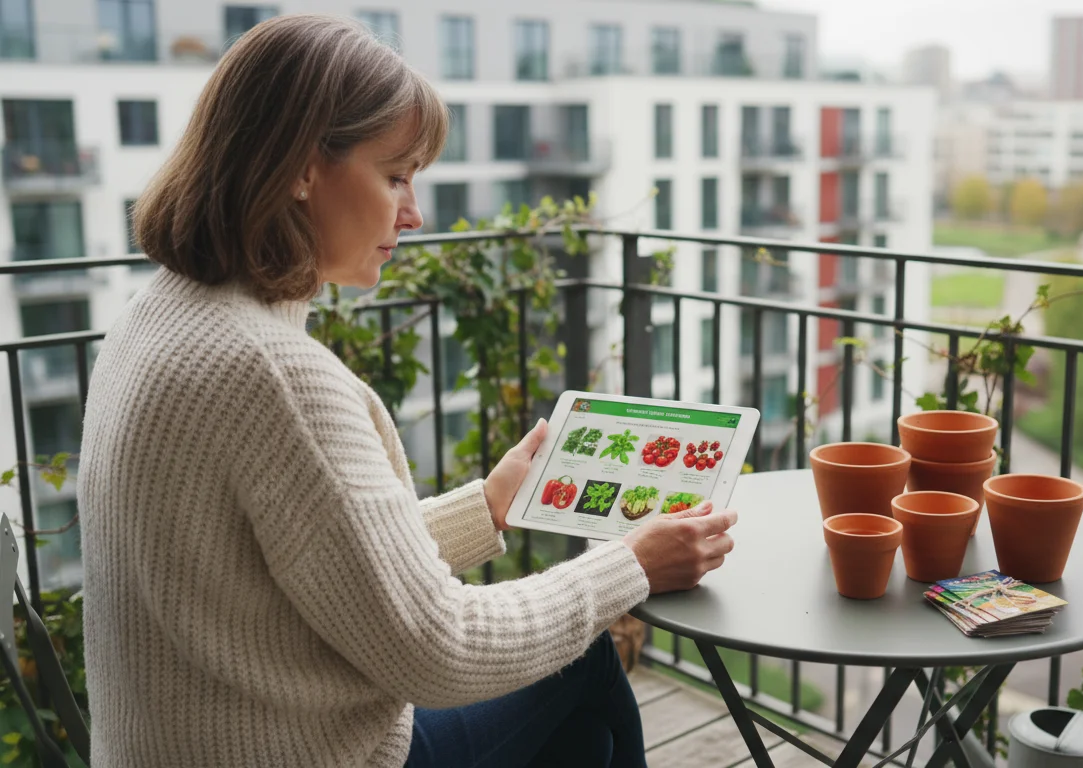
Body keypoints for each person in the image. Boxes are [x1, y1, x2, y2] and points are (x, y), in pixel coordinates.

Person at [76, 14, 737, 768]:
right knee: (584, 666)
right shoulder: (274, 375)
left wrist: (486, 505)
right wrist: (631, 565)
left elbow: (321, 562)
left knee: (580, 730)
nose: (415, 213)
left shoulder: (159, 315)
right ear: (300, 167)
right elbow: (439, 650)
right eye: (394, 176)